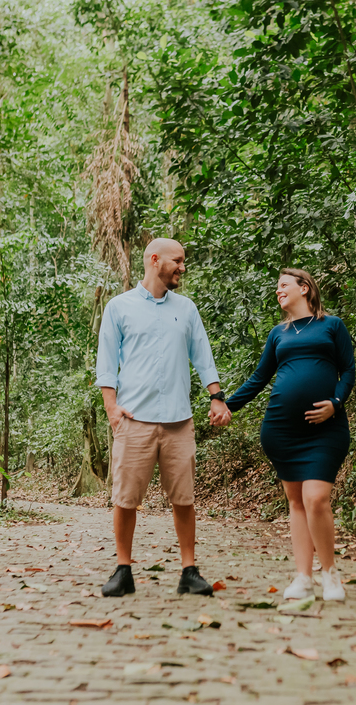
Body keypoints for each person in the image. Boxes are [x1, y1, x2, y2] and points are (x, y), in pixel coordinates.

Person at [94, 238, 232, 598]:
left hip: (178, 421)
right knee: (125, 499)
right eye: (178, 261)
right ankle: (123, 571)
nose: (182, 268)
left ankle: (190, 571)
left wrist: (216, 398)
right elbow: (106, 362)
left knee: (183, 499)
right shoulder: (119, 307)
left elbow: (203, 355)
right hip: (134, 420)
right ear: (155, 261)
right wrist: (112, 408)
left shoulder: (186, 309)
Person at [226, 269, 355, 601]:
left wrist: (336, 403)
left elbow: (349, 370)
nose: (278, 291)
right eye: (277, 287)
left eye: (284, 285)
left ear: (305, 288)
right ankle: (303, 577)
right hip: (282, 429)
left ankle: (330, 575)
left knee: (315, 499)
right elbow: (258, 379)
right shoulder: (278, 334)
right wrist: (227, 407)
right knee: (296, 502)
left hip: (326, 428)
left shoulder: (332, 326)